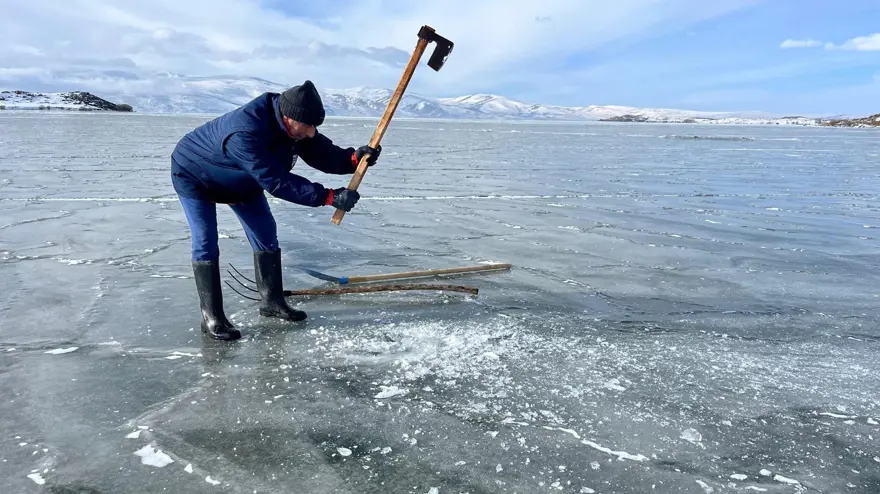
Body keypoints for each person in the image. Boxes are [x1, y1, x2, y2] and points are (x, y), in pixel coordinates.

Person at [170, 80, 380, 341]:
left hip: (241, 179)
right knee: (206, 240)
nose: (312, 131)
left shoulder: (297, 126)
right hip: (195, 175)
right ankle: (211, 317)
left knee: (266, 232)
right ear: (288, 118)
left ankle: (272, 302)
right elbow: (276, 181)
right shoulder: (244, 133)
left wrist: (352, 159)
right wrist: (329, 197)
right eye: (308, 126)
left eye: (315, 126)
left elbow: (320, 151)